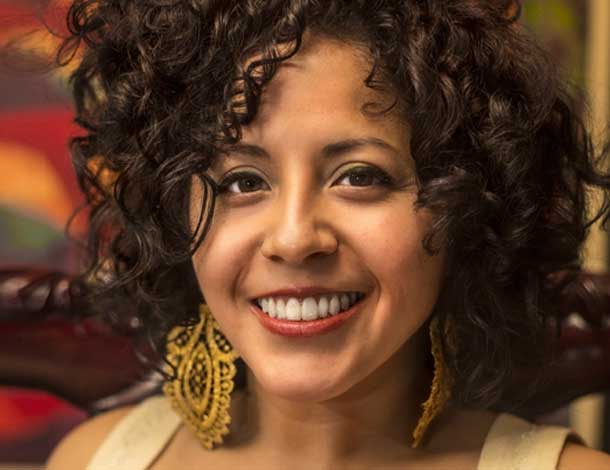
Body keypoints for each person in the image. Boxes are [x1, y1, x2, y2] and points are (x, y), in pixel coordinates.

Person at [46, 0, 610, 468]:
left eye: (359, 177)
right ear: (173, 216)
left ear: (467, 207)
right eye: (243, 182)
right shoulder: (93, 459)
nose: (294, 239)